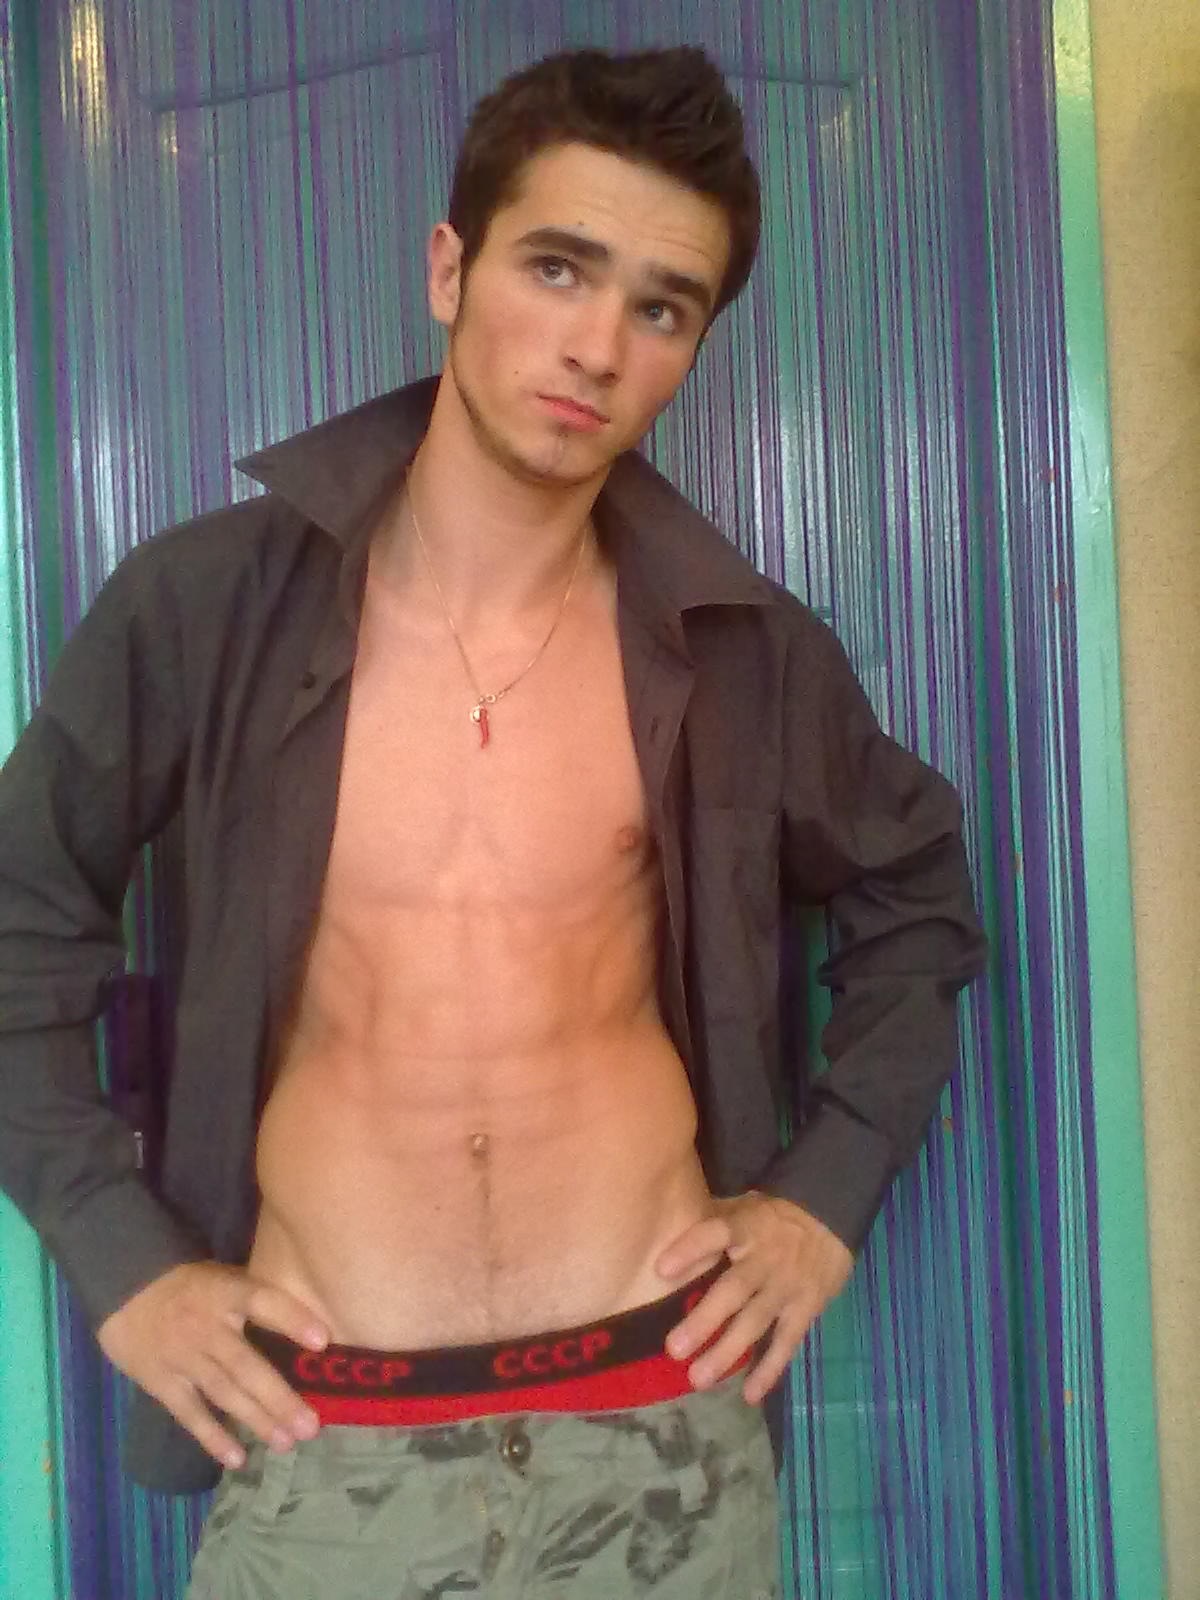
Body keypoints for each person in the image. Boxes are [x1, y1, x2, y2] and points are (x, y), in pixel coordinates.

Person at [0, 46, 985, 1600]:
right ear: (449, 269)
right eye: (557, 267)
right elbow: (19, 915)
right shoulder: (204, 608)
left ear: (693, 348)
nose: (596, 345)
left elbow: (918, 899)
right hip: (323, 1442)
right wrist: (120, 1261)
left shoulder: (743, 653)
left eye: (662, 308)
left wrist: (824, 1199)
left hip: (660, 1433)